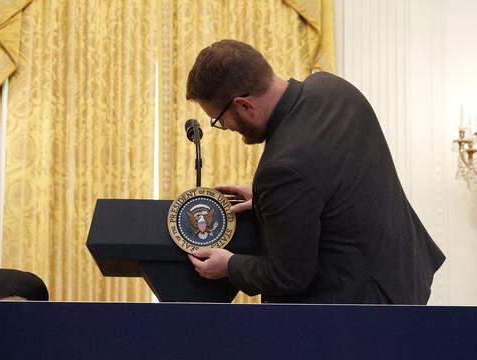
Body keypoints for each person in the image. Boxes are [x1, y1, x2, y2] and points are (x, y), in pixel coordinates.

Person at [185, 40, 445, 304]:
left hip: (361, 311)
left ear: (244, 106)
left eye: (219, 120)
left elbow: (288, 276)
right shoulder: (333, 88)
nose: (226, 127)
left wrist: (229, 265)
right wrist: (271, 202)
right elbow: (333, 182)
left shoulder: (281, 169)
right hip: (405, 277)